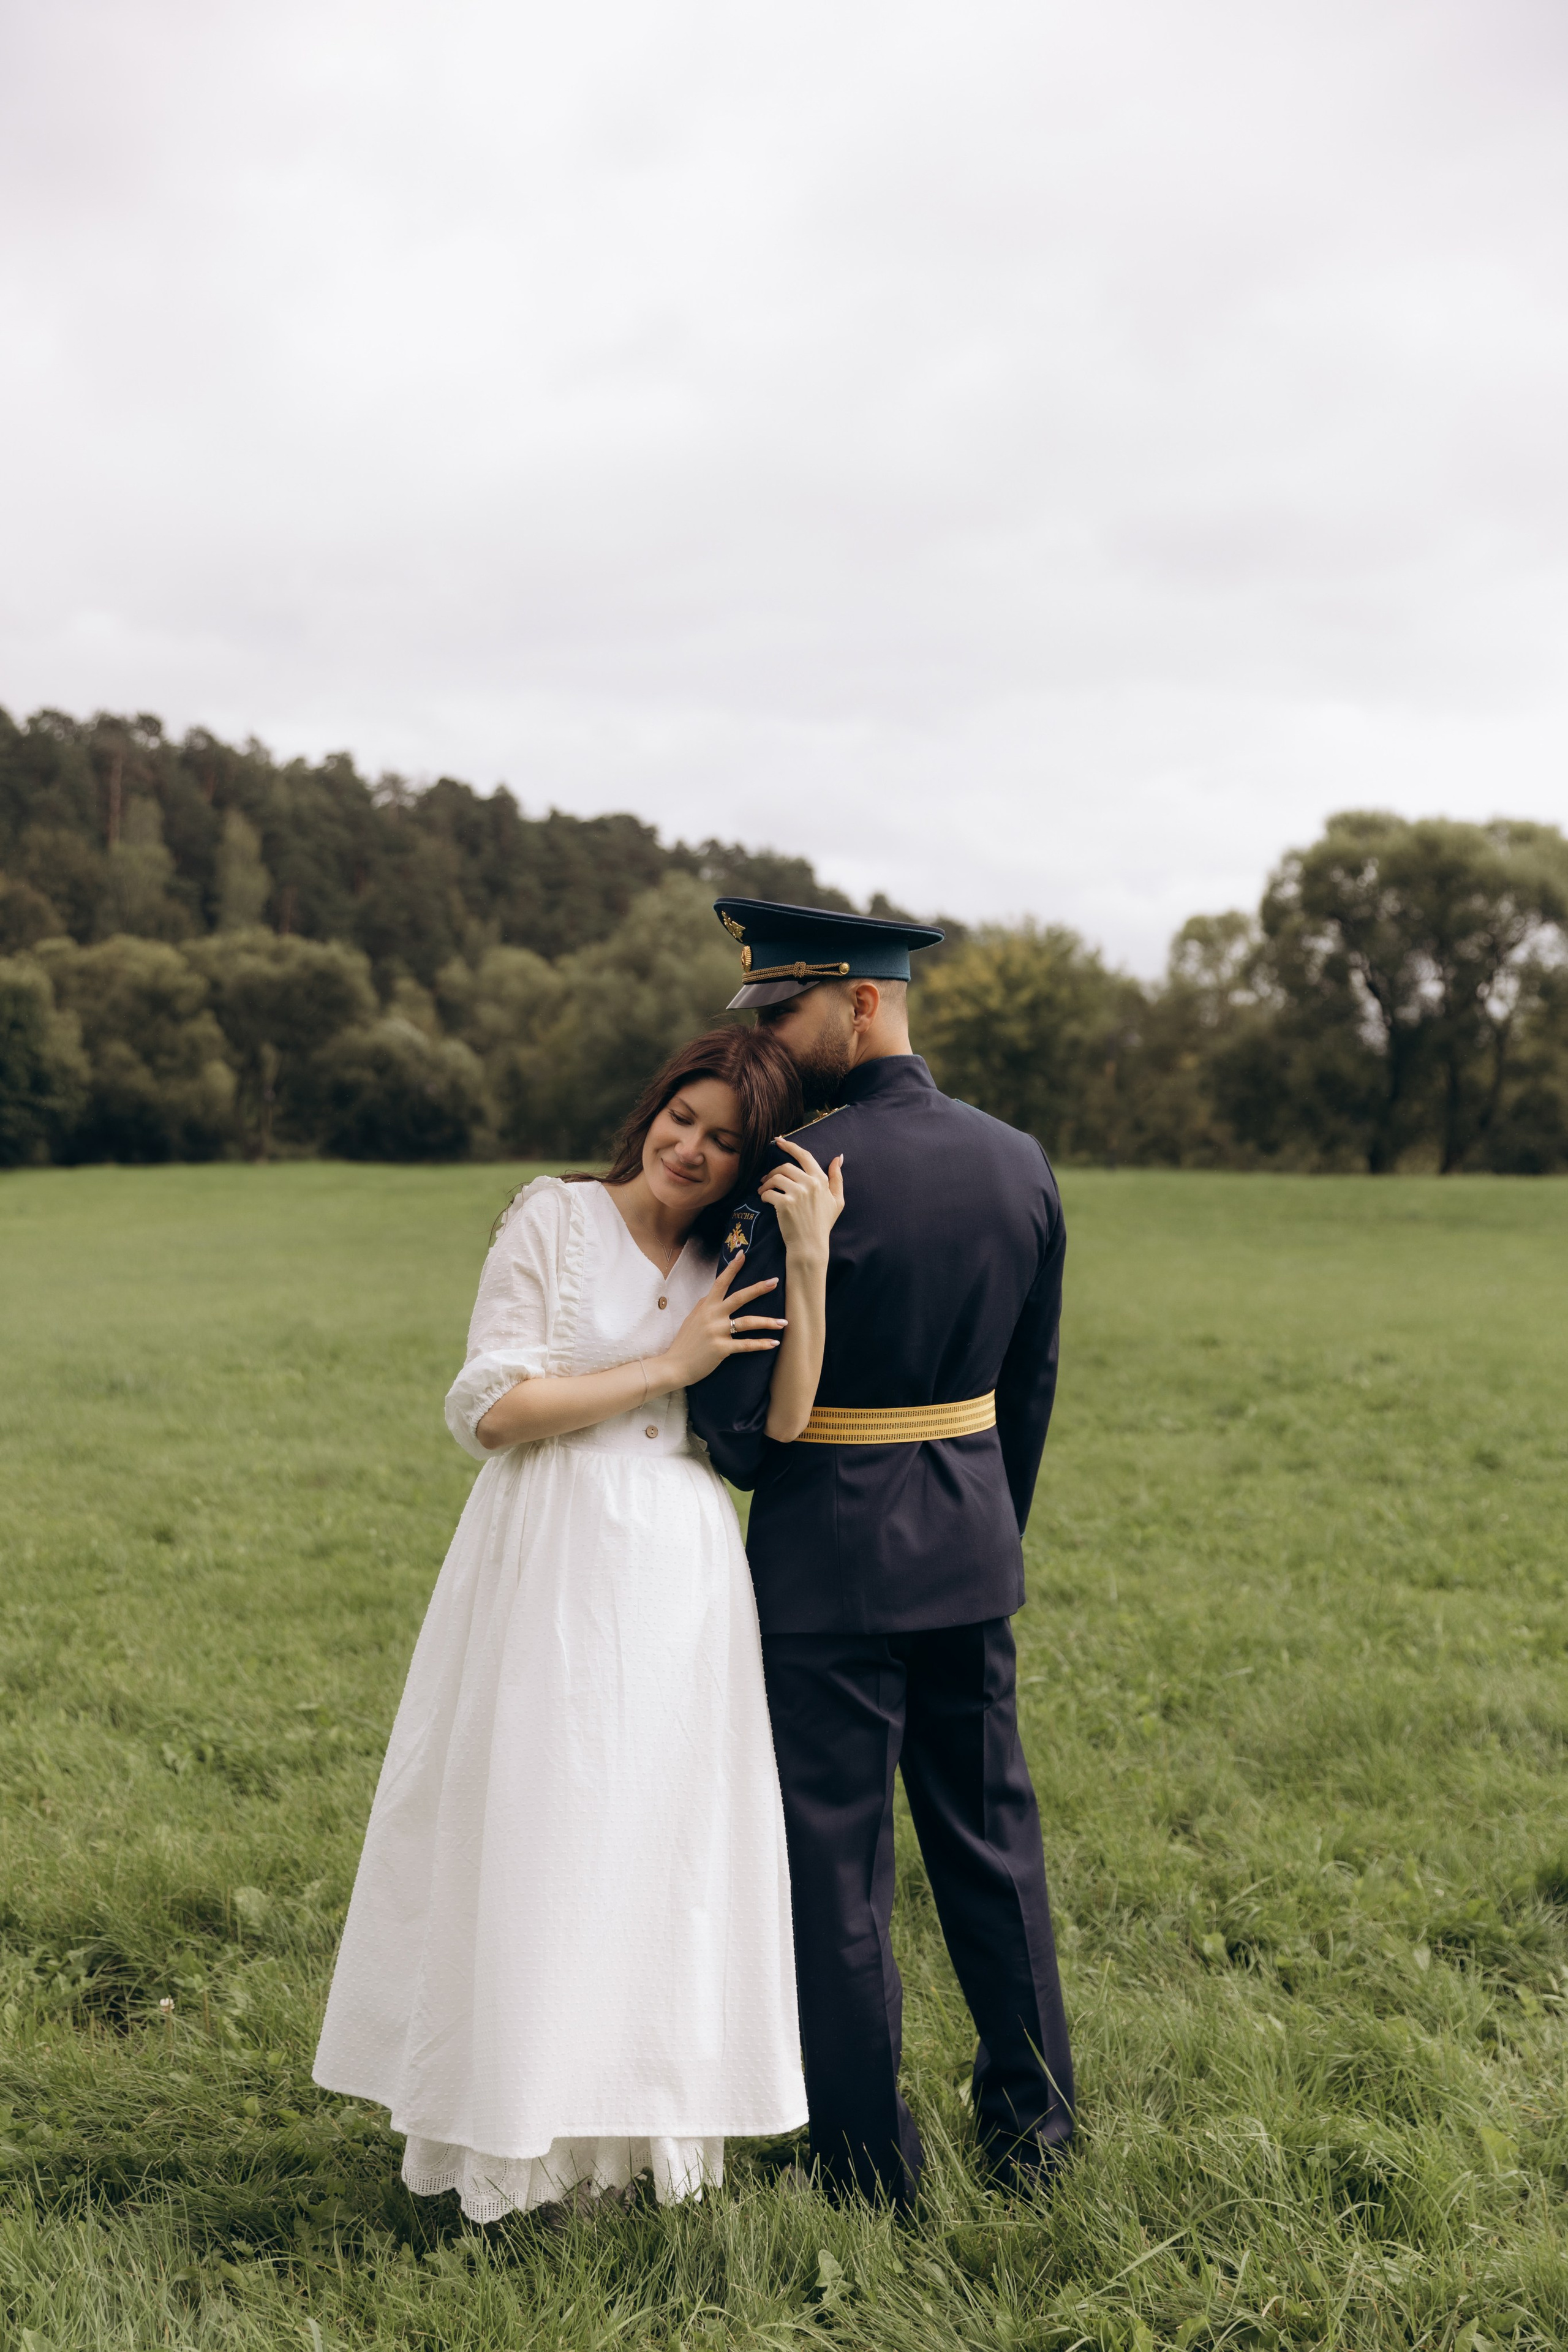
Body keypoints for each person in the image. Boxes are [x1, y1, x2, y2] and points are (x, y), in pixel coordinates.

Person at [313, 1025, 843, 2223]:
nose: (689, 1150)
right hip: (550, 1553)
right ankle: (510, 2140)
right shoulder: (552, 1217)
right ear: (650, 1107)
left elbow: (781, 1433)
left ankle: (623, 2146)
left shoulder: (735, 1255)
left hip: (678, 1577)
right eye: (680, 1118)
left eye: (722, 1139)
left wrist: (804, 1264)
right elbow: (492, 1408)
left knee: (652, 1848)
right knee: (542, 1835)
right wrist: (667, 1362)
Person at [688, 897, 1075, 2207]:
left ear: (858, 1003)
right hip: (969, 1549)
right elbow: (1029, 1388)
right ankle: (1036, 2137)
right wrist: (982, 1529)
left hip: (823, 1569)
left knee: (834, 1867)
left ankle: (867, 2169)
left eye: (784, 1015)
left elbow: (741, 1436)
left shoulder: (789, 1171)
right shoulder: (1017, 1161)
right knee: (993, 1845)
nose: (773, 1047)